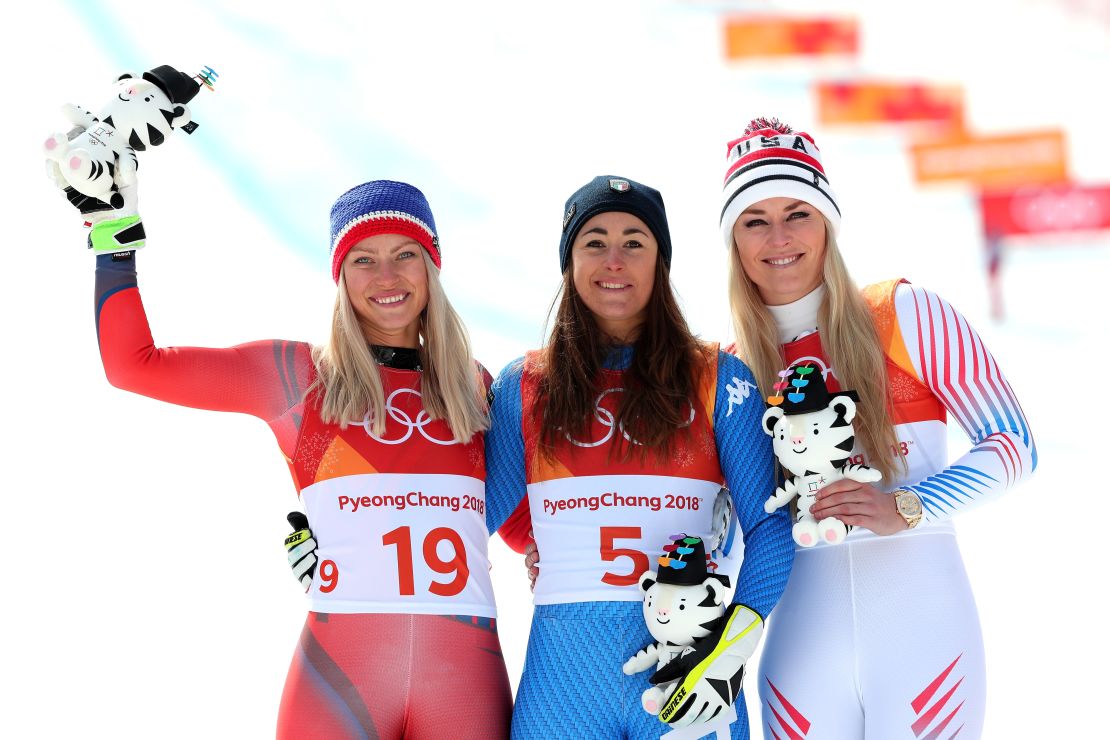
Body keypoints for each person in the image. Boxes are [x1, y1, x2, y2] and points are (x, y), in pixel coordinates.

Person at [81, 178, 515, 738]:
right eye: (364, 259)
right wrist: (111, 237)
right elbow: (132, 365)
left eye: (405, 254)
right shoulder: (296, 377)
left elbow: (528, 511)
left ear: (431, 267)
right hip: (341, 675)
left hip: (463, 678)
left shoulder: (475, 389)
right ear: (340, 275)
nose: (387, 277)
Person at [719, 118, 1037, 739]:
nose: (779, 237)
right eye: (755, 219)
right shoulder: (731, 370)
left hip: (922, 631)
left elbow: (1013, 445)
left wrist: (909, 506)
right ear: (733, 241)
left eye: (798, 212)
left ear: (828, 223)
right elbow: (723, 519)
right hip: (801, 645)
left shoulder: (905, 314)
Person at [485, 176, 795, 739]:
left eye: (634, 242)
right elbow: (467, 515)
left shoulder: (718, 379)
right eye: (594, 241)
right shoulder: (525, 386)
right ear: (569, 262)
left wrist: (726, 653)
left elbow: (771, 531)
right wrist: (332, 533)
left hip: (690, 680)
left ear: (660, 262)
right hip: (563, 689)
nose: (614, 260)